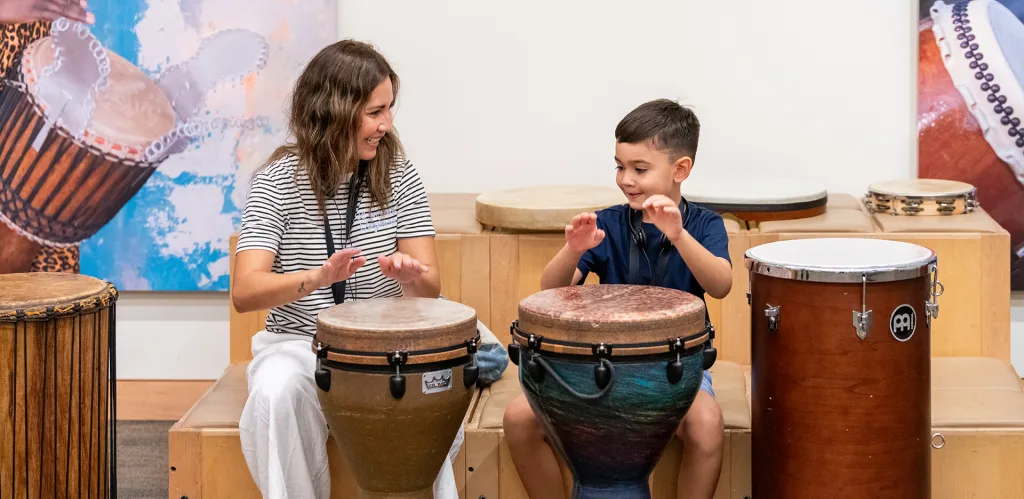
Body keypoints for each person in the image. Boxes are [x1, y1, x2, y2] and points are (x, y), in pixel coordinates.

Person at [232, 39, 505, 499]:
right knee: (275, 392)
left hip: (389, 347)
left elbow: (431, 289)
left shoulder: (398, 171)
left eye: (390, 109)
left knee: (424, 401)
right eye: (375, 112)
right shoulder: (277, 179)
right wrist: (317, 279)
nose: (387, 124)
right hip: (302, 345)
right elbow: (245, 291)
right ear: (335, 110)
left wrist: (410, 277)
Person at [502, 98, 732, 499]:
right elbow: (549, 289)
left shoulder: (703, 224)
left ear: (681, 170)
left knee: (707, 425)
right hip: (596, 368)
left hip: (674, 371)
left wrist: (679, 236)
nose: (626, 178)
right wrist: (573, 248)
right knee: (519, 418)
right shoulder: (607, 221)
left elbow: (721, 283)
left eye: (639, 169)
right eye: (619, 166)